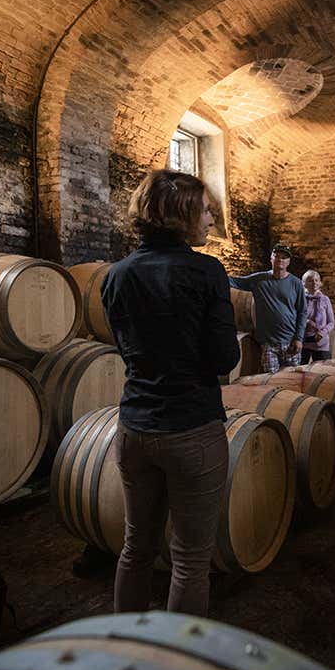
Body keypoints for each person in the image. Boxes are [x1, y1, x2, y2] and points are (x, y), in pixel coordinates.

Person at [101, 170, 240, 617]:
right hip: (192, 429)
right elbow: (223, 360)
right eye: (204, 210)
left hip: (134, 428)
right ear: (180, 216)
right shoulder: (206, 272)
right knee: (189, 562)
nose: (211, 219)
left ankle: (127, 647)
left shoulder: (115, 276)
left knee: (135, 549)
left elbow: (127, 350)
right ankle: (176, 667)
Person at [230, 244, 307, 373]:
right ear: (271, 258)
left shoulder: (296, 283)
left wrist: (299, 338)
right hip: (268, 344)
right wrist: (215, 271)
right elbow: (235, 282)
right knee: (270, 383)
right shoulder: (259, 279)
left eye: (284, 257)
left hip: (290, 342)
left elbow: (302, 312)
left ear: (288, 262)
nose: (280, 260)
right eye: (277, 256)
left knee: (291, 383)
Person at [301, 269, 335, 363]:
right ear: (304, 283)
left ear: (320, 283)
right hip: (303, 342)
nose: (314, 283)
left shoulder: (325, 300)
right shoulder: (300, 299)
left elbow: (331, 322)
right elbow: (295, 317)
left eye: (316, 280)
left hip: (321, 343)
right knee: (301, 374)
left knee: (323, 372)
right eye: (310, 280)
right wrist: (307, 322)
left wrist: (322, 333)